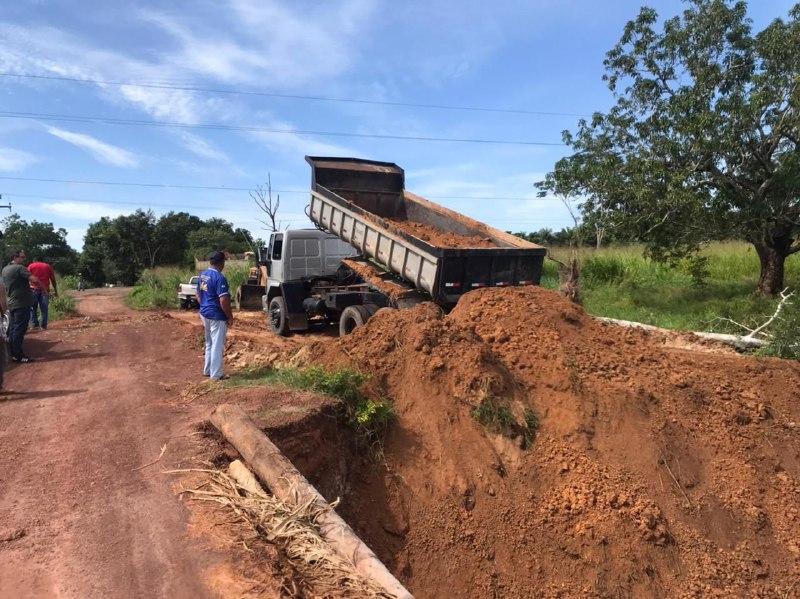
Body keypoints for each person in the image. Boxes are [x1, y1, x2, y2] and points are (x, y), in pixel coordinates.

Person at [196, 251, 233, 380]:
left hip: (204, 313)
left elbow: (198, 294)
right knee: (217, 345)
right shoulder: (220, 278)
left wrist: (204, 306)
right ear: (221, 263)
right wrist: (229, 316)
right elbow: (223, 300)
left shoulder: (203, 275)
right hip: (216, 315)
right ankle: (216, 374)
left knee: (209, 343)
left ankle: (208, 370)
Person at [2, 249, 39, 363]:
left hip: (12, 303)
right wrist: (36, 280)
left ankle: (13, 353)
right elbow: (34, 279)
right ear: (15, 257)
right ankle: (18, 355)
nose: (24, 259)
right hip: (21, 304)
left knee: (13, 329)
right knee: (20, 330)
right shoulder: (19, 268)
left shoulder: (5, 269)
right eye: (22, 257)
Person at [28, 258, 58, 330]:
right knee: (44, 308)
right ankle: (43, 325)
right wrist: (56, 290)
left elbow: (27, 278)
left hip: (33, 289)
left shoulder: (30, 266)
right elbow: (53, 279)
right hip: (45, 290)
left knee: (32, 308)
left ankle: (35, 325)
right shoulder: (47, 266)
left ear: (34, 260)